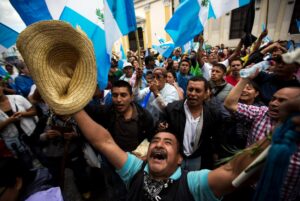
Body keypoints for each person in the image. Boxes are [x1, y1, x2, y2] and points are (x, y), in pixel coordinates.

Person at [72, 107, 278, 201]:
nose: (159, 144)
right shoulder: (134, 170)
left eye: (168, 142)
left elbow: (233, 170)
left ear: (180, 159)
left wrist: (280, 131)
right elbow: (103, 141)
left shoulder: (194, 184)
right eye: (155, 141)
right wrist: (72, 106)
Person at [224, 76, 300, 201]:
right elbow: (230, 104)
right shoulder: (261, 113)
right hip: (248, 187)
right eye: (273, 99)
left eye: (282, 101)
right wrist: (245, 78)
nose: (274, 103)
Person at [85, 80, 155, 201]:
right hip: (111, 163)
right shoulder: (107, 112)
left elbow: (152, 138)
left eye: (123, 95)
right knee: (115, 191)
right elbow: (90, 110)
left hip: (135, 165)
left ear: (131, 97)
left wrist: (146, 155)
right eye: (115, 95)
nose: (118, 99)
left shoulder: (144, 117)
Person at [161, 76, 223, 170]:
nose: (193, 94)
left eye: (198, 91)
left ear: (206, 94)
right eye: (190, 89)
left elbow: (216, 139)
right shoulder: (172, 109)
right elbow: (162, 129)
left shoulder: (213, 113)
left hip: (199, 158)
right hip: (175, 156)